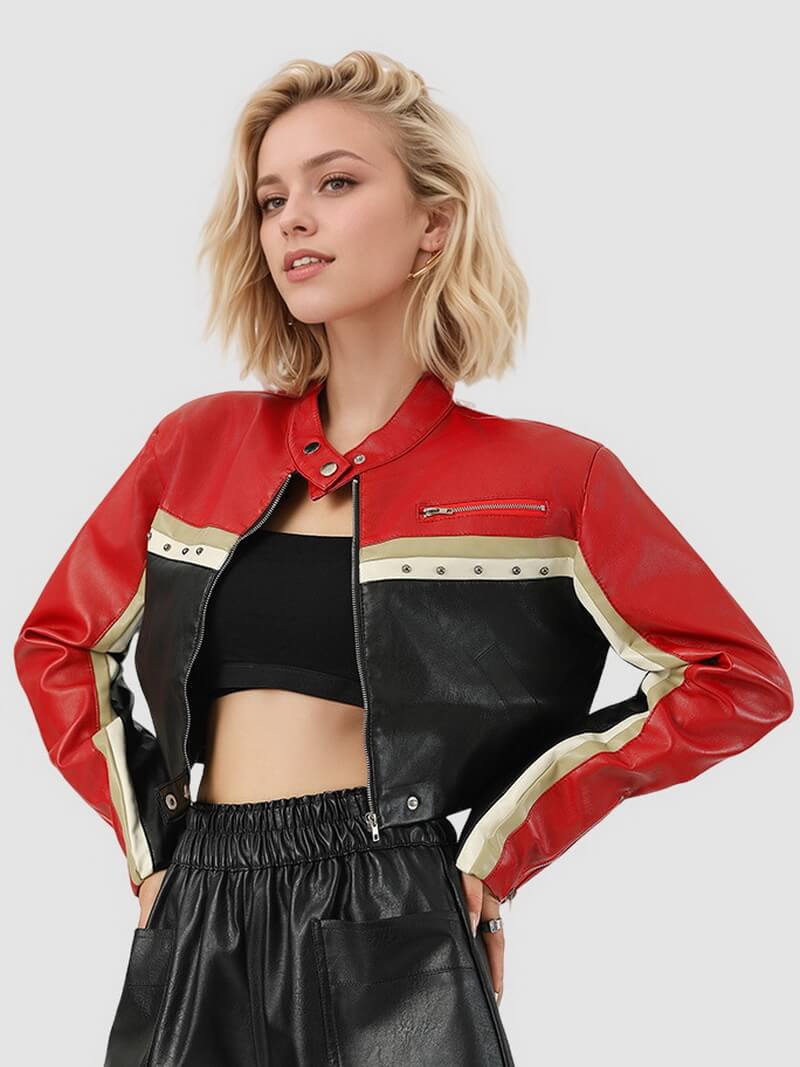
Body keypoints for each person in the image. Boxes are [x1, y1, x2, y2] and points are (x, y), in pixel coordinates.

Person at [13, 49, 793, 1067]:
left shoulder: (554, 474)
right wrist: (150, 844)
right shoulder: (196, 444)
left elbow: (734, 679)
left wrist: (499, 844)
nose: (292, 219)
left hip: (393, 895)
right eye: (272, 199)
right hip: (198, 894)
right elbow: (58, 642)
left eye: (335, 183)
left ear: (434, 222)